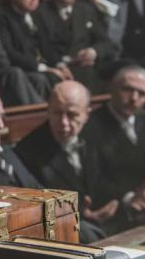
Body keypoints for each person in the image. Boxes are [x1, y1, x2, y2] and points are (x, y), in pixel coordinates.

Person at [81, 66, 145, 230]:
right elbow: (93, 179)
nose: (134, 98)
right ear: (112, 88)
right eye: (127, 89)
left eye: (142, 93)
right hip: (119, 217)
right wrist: (129, 199)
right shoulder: (90, 126)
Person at [14, 81, 115, 242]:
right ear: (48, 110)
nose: (64, 123)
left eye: (72, 115)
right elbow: (40, 206)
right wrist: (80, 214)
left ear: (87, 114)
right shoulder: (27, 150)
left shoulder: (98, 134)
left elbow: (109, 177)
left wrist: (122, 200)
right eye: (57, 113)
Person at [36, 0, 118, 92]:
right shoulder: (41, 12)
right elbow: (41, 45)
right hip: (56, 67)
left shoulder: (86, 10)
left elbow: (106, 42)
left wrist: (93, 52)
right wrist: (59, 64)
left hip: (85, 68)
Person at [0, 0, 72, 98]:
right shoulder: (0, 16)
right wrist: (42, 68)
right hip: (23, 70)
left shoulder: (37, 14)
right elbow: (9, 52)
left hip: (42, 68)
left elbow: (47, 46)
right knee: (42, 79)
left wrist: (59, 65)